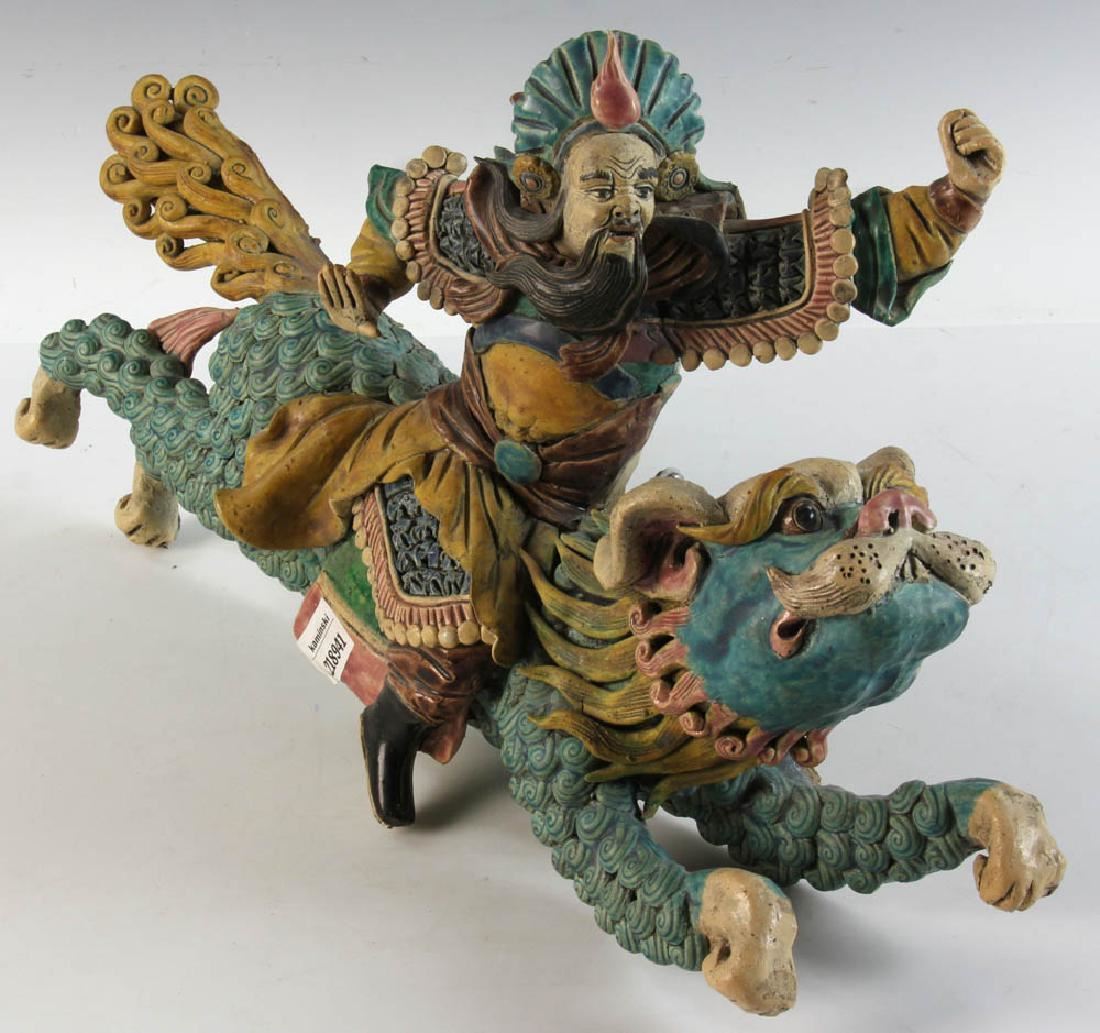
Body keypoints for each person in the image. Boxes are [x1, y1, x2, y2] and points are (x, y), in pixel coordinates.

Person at [215, 29, 1004, 826]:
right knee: (450, 643)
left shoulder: (689, 282)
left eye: (643, 185)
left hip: (585, 511)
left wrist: (955, 200)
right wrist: (368, 283)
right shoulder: (491, 239)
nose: (627, 205)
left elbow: (842, 252)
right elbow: (400, 212)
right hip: (457, 469)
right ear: (549, 189)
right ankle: (393, 728)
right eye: (601, 184)